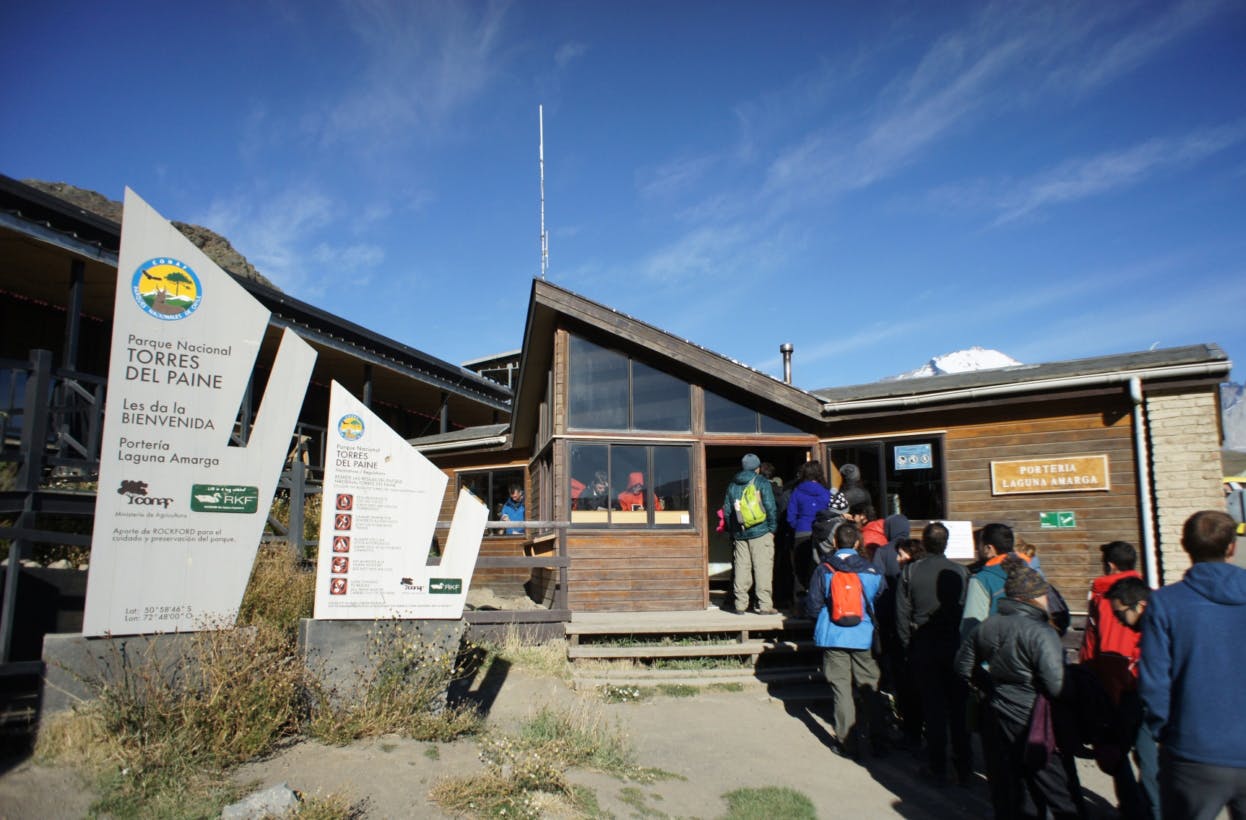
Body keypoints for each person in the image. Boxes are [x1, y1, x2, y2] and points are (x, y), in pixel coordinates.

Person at [955, 557, 1085, 818]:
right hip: (1036, 719)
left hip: (996, 713)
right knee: (1054, 790)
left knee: (1006, 788)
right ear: (1032, 597)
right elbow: (1056, 685)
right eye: (1043, 594)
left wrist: (990, 684)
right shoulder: (1041, 633)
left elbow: (962, 666)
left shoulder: (987, 626)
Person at [1139, 510, 1246, 819]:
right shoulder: (1167, 602)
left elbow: (1154, 680)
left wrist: (1167, 731)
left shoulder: (1166, 602)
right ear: (1231, 547)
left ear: (1185, 545)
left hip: (1193, 748)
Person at [897, 521, 972, 786]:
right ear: (946, 543)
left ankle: (938, 764)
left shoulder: (911, 572)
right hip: (955, 644)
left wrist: (909, 645)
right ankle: (965, 766)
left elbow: (902, 614)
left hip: (924, 644)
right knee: (959, 709)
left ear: (925, 543)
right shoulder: (961, 572)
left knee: (934, 708)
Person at [806, 520, 886, 760]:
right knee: (870, 686)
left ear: (834, 542)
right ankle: (879, 741)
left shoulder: (824, 569)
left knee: (841, 688)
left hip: (833, 635)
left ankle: (846, 742)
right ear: (858, 542)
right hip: (863, 636)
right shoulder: (871, 571)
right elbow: (879, 598)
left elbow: (813, 605)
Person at [1102, 576, 1159, 820]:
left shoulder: (1159, 633)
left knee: (1152, 774)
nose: (1119, 620)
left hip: (1152, 709)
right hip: (1144, 705)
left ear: (1141, 606)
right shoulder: (1152, 630)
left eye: (1121, 613)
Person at [723, 453, 778, 614]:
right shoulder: (761, 482)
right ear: (758, 468)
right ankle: (764, 605)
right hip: (761, 531)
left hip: (740, 532)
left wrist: (732, 529)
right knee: (762, 568)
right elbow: (770, 506)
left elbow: (727, 510)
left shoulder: (733, 484)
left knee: (741, 567)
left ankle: (740, 605)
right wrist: (772, 528)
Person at [960, 522, 1016, 638]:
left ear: (989, 548)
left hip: (994, 650)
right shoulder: (1030, 574)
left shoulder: (982, 580)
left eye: (979, 545)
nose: (977, 549)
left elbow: (972, 627)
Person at [788, 461, 831, 602]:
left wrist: (799, 525)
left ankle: (800, 607)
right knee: (818, 568)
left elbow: (790, 516)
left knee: (799, 570)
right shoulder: (826, 492)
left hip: (802, 531)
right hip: (821, 534)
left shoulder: (797, 491)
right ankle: (817, 604)